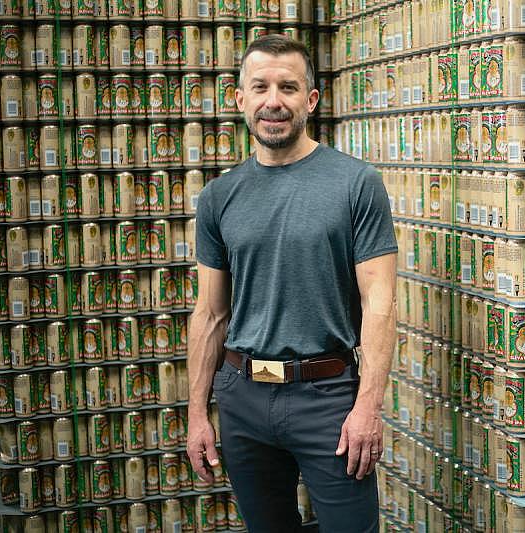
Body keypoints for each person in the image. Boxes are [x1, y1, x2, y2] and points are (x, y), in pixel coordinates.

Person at [186, 35, 397, 533]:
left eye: (288, 87)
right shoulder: (218, 197)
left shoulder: (355, 182)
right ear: (241, 100)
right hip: (242, 397)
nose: (273, 101)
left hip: (327, 399)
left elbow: (380, 303)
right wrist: (198, 412)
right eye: (260, 87)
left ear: (311, 100)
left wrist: (368, 405)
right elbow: (210, 314)